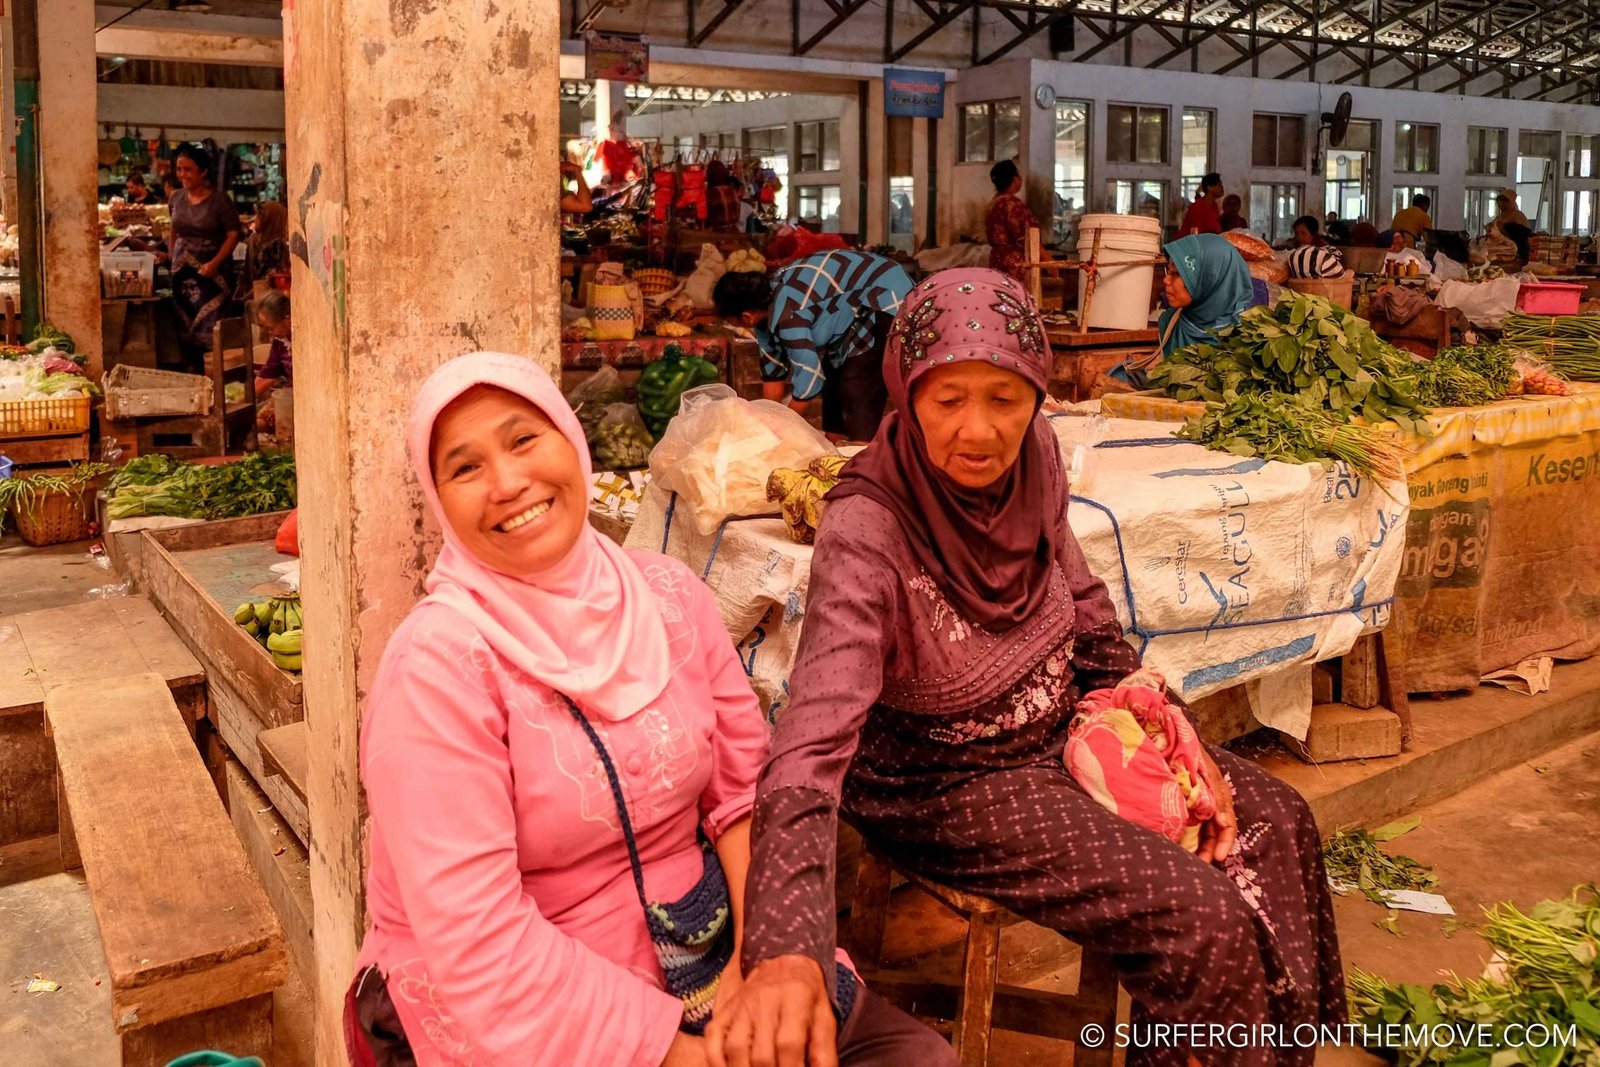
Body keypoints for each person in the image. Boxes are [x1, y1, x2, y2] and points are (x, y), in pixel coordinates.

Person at [709, 270, 1345, 1067]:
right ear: (906, 393)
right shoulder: (868, 525)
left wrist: (1169, 727)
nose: (978, 431)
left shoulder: (1036, 456)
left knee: (1277, 818)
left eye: (1004, 399)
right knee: (1201, 917)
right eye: (948, 400)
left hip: (1057, 731)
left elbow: (1082, 600)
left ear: (1036, 397)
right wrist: (787, 943)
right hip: (944, 780)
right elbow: (811, 737)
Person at [348, 351, 952, 1067]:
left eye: (524, 439)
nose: (508, 483)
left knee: (918, 1059)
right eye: (465, 467)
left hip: (703, 938)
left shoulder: (668, 597)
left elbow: (743, 797)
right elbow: (479, 940)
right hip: (526, 1001)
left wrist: (763, 957)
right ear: (440, 499)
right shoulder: (437, 670)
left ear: (572, 441)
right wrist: (687, 1055)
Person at [712, 250, 913, 441]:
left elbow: (811, 380)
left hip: (884, 293)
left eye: (731, 320)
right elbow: (773, 375)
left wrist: (780, 430)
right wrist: (766, 422)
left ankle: (860, 449)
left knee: (857, 381)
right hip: (852, 309)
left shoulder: (789, 315)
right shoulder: (764, 316)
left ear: (746, 316)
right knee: (833, 380)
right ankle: (834, 449)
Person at [161, 143, 242, 371]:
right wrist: (172, 256)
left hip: (212, 274)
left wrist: (214, 263)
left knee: (212, 324)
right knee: (183, 321)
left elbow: (233, 234)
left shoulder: (220, 201)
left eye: (188, 170)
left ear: (203, 171)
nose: (182, 175)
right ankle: (192, 370)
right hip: (183, 273)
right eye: (179, 169)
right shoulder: (176, 198)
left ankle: (214, 372)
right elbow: (173, 228)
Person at [1158, 233, 1254, 357]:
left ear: (1209, 278)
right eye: (1169, 271)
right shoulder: (1169, 324)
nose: (1166, 280)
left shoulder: (1248, 337)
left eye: (1176, 273)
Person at [984, 159, 1041, 282]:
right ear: (1015, 179)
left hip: (996, 262)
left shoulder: (992, 203)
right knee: (1017, 293)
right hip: (1014, 265)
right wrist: (1047, 259)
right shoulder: (1012, 204)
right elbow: (1028, 237)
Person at [237, 201, 289, 300]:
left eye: (259, 216)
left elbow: (270, 279)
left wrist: (246, 297)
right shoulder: (254, 240)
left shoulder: (277, 246)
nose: (255, 220)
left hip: (269, 299)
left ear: (270, 219)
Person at [253, 290, 292, 406]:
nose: (270, 333)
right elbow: (267, 375)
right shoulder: (280, 343)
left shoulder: (306, 339)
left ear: (287, 318)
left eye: (271, 328)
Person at [1492, 188, 1532, 262]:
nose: (1502, 203)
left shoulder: (1518, 216)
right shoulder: (1499, 218)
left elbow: (1523, 237)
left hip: (1518, 254)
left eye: (1505, 201)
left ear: (1512, 202)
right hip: (1503, 252)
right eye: (1500, 200)